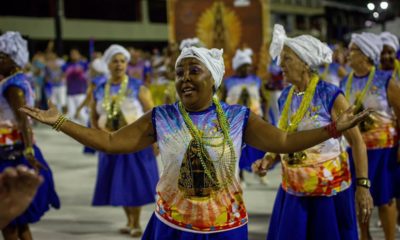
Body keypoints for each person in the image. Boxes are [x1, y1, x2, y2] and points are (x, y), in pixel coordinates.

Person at [21, 45, 371, 240]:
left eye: (193, 71)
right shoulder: (162, 117)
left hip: (226, 230)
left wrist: (332, 130)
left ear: (213, 79)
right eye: (179, 73)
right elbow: (112, 141)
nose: (184, 79)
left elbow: (283, 140)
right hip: (173, 228)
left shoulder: (238, 117)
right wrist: (62, 122)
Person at [251, 24, 373, 240]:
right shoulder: (285, 96)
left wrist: (363, 185)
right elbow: (285, 136)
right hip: (293, 189)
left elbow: (357, 142)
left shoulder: (330, 95)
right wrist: (269, 159)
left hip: (327, 192)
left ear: (305, 63)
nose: (281, 65)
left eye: (287, 58)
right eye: (281, 59)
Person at [90, 45, 159, 237]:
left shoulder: (137, 86)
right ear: (108, 64)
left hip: (134, 144)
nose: (119, 65)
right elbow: (94, 116)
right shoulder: (99, 89)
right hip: (110, 144)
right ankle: (129, 221)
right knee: (117, 183)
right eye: (115, 61)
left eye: (122, 61)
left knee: (133, 184)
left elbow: (153, 113)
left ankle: (136, 222)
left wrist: (155, 141)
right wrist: (99, 133)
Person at [0, 31, 60, 240]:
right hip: (15, 149)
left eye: (1, 57)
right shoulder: (19, 80)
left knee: (8, 222)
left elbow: (23, 119)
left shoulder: (13, 86)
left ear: (13, 58)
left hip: (10, 152)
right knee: (19, 222)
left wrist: (27, 150)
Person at [341, 32, 400, 240]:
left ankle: (391, 237)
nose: (348, 53)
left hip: (384, 151)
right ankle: (365, 236)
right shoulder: (344, 82)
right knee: (360, 198)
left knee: (385, 199)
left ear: (365, 54)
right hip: (356, 151)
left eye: (353, 50)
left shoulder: (386, 81)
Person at [222, 48, 268, 186]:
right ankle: (240, 177)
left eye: (248, 66)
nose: (247, 68)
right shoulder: (228, 81)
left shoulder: (256, 80)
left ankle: (259, 173)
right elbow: (223, 100)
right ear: (238, 67)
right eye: (244, 66)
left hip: (255, 118)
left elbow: (264, 99)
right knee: (237, 148)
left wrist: (265, 116)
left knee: (258, 147)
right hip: (235, 120)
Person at [380, 31, 400, 230]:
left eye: (390, 52)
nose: (386, 56)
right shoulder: (374, 78)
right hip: (387, 142)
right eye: (383, 52)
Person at [62, 48, 89, 124]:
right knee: (71, 114)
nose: (73, 55)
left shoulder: (84, 64)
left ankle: (87, 131)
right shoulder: (66, 65)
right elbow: (63, 76)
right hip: (70, 93)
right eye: (72, 54)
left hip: (81, 92)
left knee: (82, 114)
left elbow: (88, 76)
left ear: (79, 55)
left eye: (75, 53)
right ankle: (75, 133)